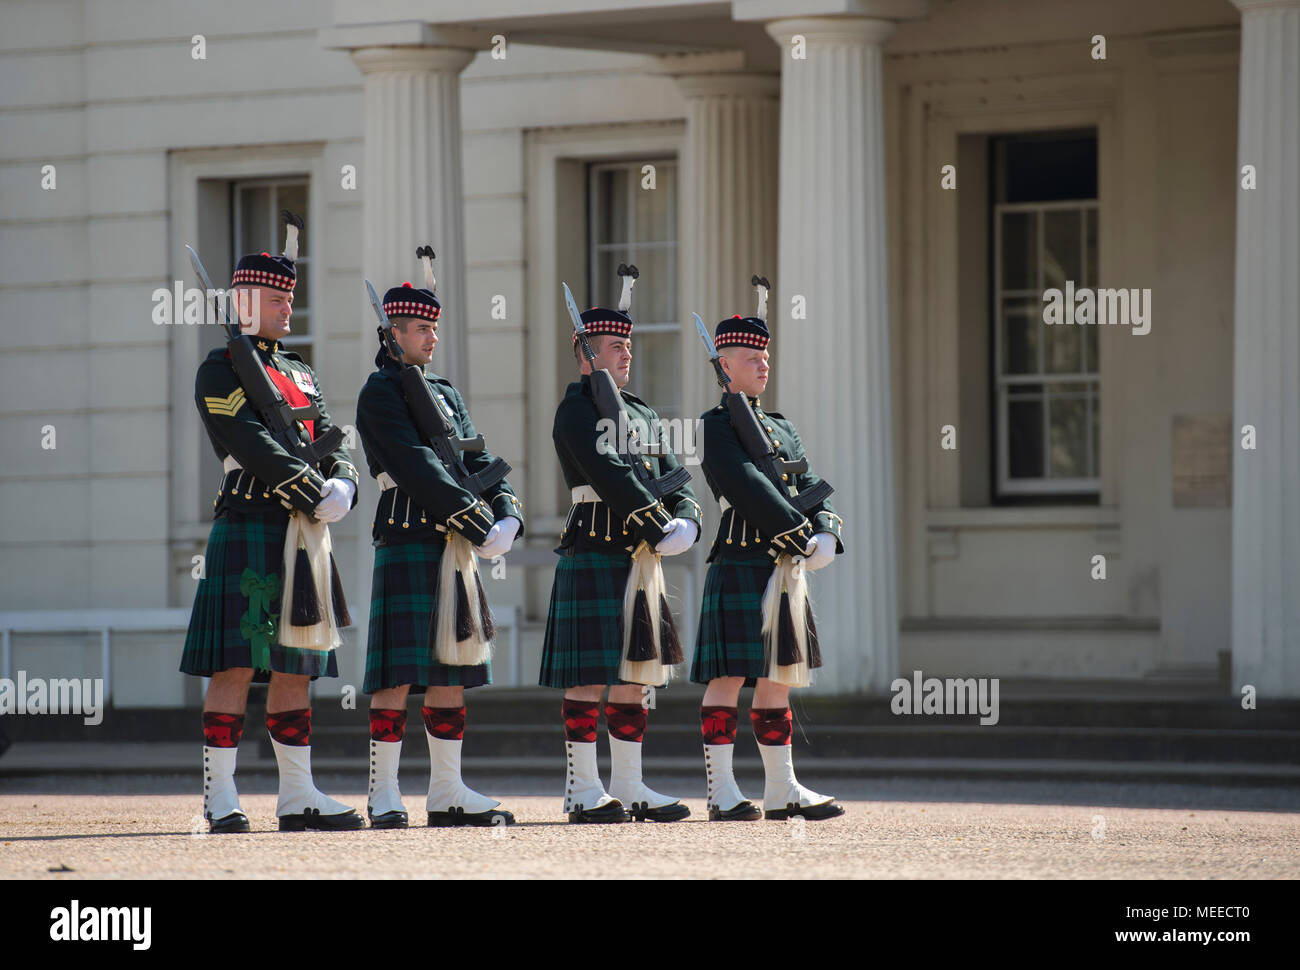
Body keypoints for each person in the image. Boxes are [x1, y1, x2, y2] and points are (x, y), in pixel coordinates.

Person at [181, 213, 364, 833]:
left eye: (291, 296)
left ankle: (297, 794)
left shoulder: (301, 371)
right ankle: (220, 795)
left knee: (295, 665)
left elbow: (329, 435)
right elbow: (251, 441)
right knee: (236, 662)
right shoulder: (219, 368)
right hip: (253, 520)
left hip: (302, 531)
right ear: (242, 301)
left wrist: (344, 480)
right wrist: (314, 488)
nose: (288, 306)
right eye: (276, 297)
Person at [356, 248, 523, 828]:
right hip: (408, 536)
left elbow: (479, 458)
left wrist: (508, 513)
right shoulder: (380, 393)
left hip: (452, 545)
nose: (430, 337)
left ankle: (447, 790)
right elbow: (415, 465)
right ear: (392, 331)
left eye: (433, 327)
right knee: (398, 673)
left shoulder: (446, 393)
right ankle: (382, 792)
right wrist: (476, 521)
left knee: (451, 672)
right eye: (420, 328)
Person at [540, 267, 702, 823]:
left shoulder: (645, 413)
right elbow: (609, 474)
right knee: (589, 676)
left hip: (639, 555)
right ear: (585, 352)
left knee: (636, 676)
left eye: (629, 345)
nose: (626, 354)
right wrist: (658, 525)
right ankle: (582, 788)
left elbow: (674, 475)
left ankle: (630, 783)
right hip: (596, 546)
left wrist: (688, 519)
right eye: (615, 346)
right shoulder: (576, 410)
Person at [691, 282, 846, 822]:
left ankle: (782, 788)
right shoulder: (712, 426)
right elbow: (745, 485)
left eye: (766, 357)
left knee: (778, 676)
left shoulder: (781, 425)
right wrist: (797, 533)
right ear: (724, 365)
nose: (763, 366)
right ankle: (722, 791)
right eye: (752, 358)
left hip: (784, 563)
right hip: (741, 558)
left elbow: (807, 481)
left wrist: (825, 527)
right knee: (729, 678)